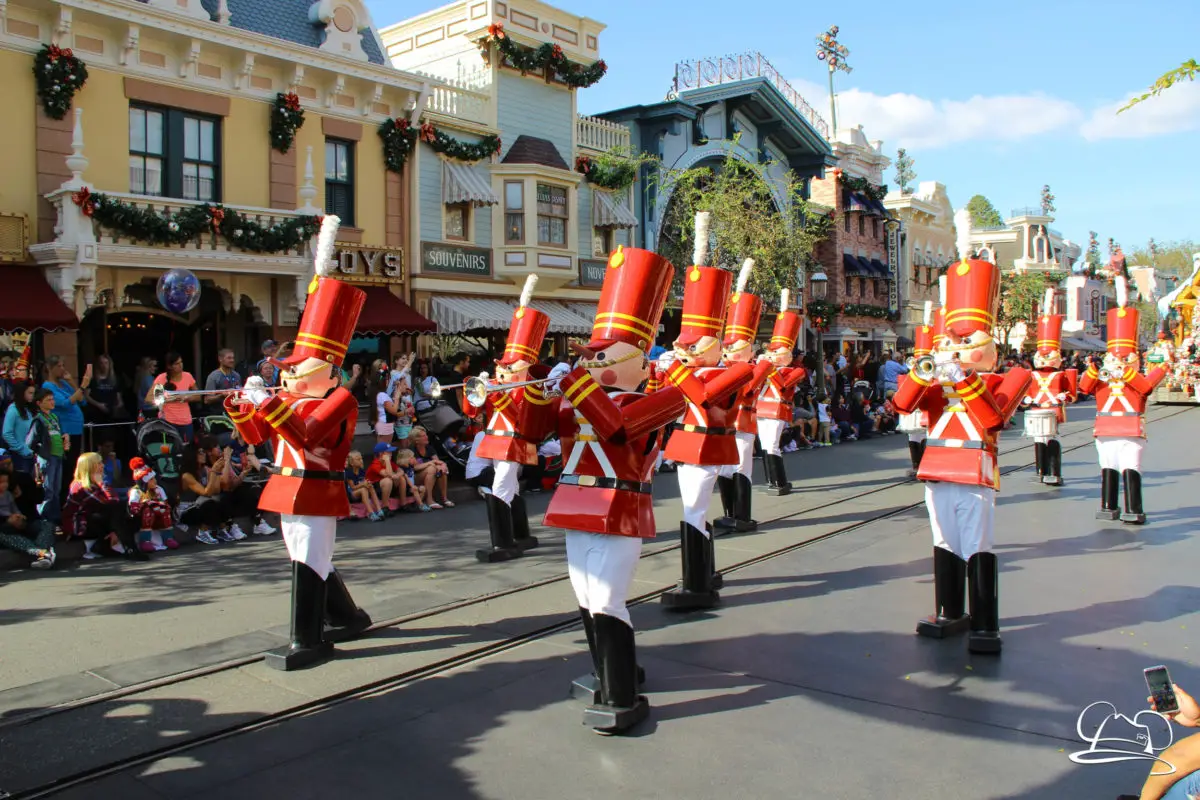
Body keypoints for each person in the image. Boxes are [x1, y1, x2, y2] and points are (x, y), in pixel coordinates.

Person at [544, 243, 686, 735]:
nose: (591, 363)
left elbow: (618, 430)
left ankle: (623, 691)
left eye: (600, 357)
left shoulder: (662, 398)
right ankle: (609, 674)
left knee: (607, 599)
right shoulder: (585, 397)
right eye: (588, 356)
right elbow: (538, 428)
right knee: (584, 596)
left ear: (638, 363)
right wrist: (537, 387)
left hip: (620, 506)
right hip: (575, 504)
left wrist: (577, 386)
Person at [223, 216, 372, 670]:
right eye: (286, 368)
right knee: (305, 556)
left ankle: (306, 639)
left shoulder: (340, 397)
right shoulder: (288, 397)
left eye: (297, 367)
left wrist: (268, 405)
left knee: (308, 558)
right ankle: (347, 616)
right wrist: (241, 408)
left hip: (317, 483)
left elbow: (308, 436)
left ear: (327, 366)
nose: (286, 374)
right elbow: (257, 439)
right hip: (287, 484)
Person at [891, 244, 1031, 655]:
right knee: (943, 539)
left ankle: (986, 622)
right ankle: (949, 609)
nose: (956, 347)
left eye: (967, 341)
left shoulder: (1010, 377)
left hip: (973, 469)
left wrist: (962, 379)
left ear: (990, 348)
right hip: (937, 467)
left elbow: (993, 419)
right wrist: (925, 372)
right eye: (952, 340)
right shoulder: (938, 382)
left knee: (976, 544)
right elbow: (902, 405)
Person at [659, 229, 755, 611]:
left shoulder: (734, 370)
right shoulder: (691, 370)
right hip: (686, 443)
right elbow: (665, 402)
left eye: (693, 345)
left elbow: (703, 398)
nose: (686, 351)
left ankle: (697, 580)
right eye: (684, 344)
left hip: (710, 443)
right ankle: (703, 572)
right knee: (692, 509)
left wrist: (676, 370)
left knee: (692, 511)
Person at [474, 274, 553, 562]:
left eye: (510, 369)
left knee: (501, 486)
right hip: (494, 441)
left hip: (514, 442)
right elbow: (473, 413)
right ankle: (520, 532)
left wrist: (498, 394)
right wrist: (477, 395)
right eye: (501, 369)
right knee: (510, 484)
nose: (503, 374)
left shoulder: (529, 391)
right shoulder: (499, 387)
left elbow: (521, 419)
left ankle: (502, 541)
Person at [1080, 276, 1167, 524]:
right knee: (1108, 467)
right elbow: (1085, 388)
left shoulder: (1136, 377)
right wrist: (1095, 369)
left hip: (1131, 430)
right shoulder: (1103, 377)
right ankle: (1108, 506)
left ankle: (1133, 508)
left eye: (1125, 357)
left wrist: (1126, 371)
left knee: (1131, 468)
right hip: (1105, 429)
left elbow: (1146, 387)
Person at [715, 260, 774, 534]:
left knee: (740, 468)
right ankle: (729, 512)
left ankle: (742, 514)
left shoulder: (755, 368)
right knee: (725, 470)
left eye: (735, 348)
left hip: (743, 424)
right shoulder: (723, 368)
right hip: (725, 425)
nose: (728, 354)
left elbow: (748, 390)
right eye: (727, 350)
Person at [1021, 289, 1078, 486]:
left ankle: (1053, 471)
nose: (1044, 358)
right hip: (1037, 408)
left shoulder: (1061, 374)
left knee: (1051, 438)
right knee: (1038, 439)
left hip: (1053, 409)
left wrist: (1063, 397)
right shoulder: (1032, 374)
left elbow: (1072, 395)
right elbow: (1026, 393)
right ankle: (1040, 469)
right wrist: (1027, 399)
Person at [755, 288, 807, 495]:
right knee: (765, 445)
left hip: (776, 409)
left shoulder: (796, 370)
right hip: (761, 408)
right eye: (771, 351)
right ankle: (770, 480)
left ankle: (779, 482)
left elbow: (782, 386)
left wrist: (768, 368)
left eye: (777, 352)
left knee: (773, 445)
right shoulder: (769, 366)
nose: (772, 355)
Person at [63, 452, 145, 560]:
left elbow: (115, 500)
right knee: (116, 508)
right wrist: (102, 484)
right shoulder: (80, 486)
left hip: (99, 520)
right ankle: (130, 548)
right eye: (99, 463)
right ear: (90, 467)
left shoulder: (96, 482)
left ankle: (104, 545)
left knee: (133, 516)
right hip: (80, 525)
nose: (103, 465)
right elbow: (112, 502)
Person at [177, 443, 237, 544]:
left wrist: (217, 472)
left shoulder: (205, 469)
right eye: (200, 452)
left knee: (223, 498)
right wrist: (214, 472)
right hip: (187, 510)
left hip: (201, 503)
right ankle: (202, 532)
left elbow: (216, 490)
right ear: (191, 455)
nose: (203, 454)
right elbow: (206, 493)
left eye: (203, 452)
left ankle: (222, 529)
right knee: (209, 503)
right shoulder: (186, 475)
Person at [42, 355, 89, 482]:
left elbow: (82, 400)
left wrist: (72, 383)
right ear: (49, 368)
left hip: (76, 429)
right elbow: (65, 404)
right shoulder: (48, 387)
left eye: (63, 365)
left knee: (74, 464)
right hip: (65, 429)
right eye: (59, 366)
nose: (62, 369)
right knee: (67, 466)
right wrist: (83, 386)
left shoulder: (63, 383)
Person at [0, 470, 56, 569]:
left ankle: (42, 557)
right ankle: (41, 553)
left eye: (5, 482)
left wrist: (20, 516)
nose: (4, 485)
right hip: (4, 527)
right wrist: (7, 519)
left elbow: (15, 507)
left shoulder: (9, 493)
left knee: (47, 526)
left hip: (19, 520)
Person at [28, 387, 67, 526]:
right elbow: (30, 442)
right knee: (48, 490)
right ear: (39, 403)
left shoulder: (54, 417)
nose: (52, 402)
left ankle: (54, 519)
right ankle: (43, 519)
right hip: (47, 458)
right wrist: (41, 452)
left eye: (52, 399)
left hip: (58, 456)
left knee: (56, 490)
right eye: (48, 400)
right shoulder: (38, 420)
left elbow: (57, 434)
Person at [128, 457, 179, 552]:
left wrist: (160, 505)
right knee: (148, 511)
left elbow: (166, 503)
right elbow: (133, 510)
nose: (155, 481)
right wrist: (144, 504)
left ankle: (168, 538)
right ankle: (145, 541)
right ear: (144, 482)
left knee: (165, 510)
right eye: (151, 479)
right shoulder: (136, 492)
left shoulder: (158, 489)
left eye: (154, 478)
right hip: (142, 519)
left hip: (158, 516)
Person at [147, 352, 197, 443]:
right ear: (170, 366)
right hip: (168, 422)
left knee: (187, 450)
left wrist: (186, 398)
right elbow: (149, 398)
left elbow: (198, 396)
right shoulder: (161, 378)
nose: (180, 365)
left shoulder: (188, 376)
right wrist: (168, 399)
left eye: (181, 362)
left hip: (186, 421)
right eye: (177, 364)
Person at [85, 354, 127, 449]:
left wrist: (118, 406)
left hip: (110, 414)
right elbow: (86, 396)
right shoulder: (93, 379)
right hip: (96, 413)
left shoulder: (115, 379)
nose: (103, 365)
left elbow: (119, 398)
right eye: (101, 363)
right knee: (98, 439)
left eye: (106, 363)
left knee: (111, 437)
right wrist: (98, 405)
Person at [409, 426, 453, 509]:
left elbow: (437, 461)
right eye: (423, 436)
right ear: (416, 440)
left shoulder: (429, 448)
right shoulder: (412, 450)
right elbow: (415, 467)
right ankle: (429, 499)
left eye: (426, 435)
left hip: (430, 475)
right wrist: (431, 463)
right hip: (414, 477)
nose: (427, 437)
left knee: (440, 469)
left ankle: (444, 498)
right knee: (432, 468)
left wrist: (443, 465)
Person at [3, 381, 37, 474]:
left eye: (33, 393)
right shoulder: (13, 409)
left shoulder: (30, 409)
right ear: (22, 393)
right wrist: (21, 449)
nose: (32, 396)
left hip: (32, 454)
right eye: (30, 393)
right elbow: (6, 433)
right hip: (19, 455)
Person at [344, 450, 384, 521]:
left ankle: (379, 510)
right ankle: (371, 513)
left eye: (361, 458)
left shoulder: (362, 471)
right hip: (353, 494)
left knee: (370, 487)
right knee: (364, 489)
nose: (361, 460)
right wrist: (363, 484)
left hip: (362, 491)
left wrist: (368, 483)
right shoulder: (349, 473)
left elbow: (364, 481)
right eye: (358, 459)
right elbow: (353, 487)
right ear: (352, 463)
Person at [203, 349, 242, 417]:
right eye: (229, 358)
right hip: (219, 416)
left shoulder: (237, 375)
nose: (232, 360)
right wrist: (221, 395)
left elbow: (240, 393)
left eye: (233, 358)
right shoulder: (213, 376)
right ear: (220, 359)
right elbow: (207, 400)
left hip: (235, 414)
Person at [369, 370, 401, 444]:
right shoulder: (382, 395)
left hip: (381, 424)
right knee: (385, 451)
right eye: (388, 379)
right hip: (385, 425)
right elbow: (394, 411)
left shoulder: (377, 394)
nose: (389, 381)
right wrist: (397, 397)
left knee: (383, 450)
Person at [464, 429, 495, 496]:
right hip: (480, 475)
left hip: (470, 476)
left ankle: (483, 488)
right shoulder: (490, 436)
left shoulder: (480, 433)